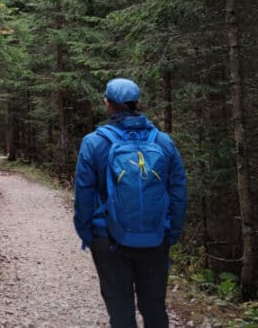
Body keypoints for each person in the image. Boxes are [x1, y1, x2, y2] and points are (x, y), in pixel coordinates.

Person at [73, 78, 187, 328]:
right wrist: (171, 231)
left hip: (108, 238)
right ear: (138, 103)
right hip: (155, 236)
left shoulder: (93, 142)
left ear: (108, 105)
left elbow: (83, 193)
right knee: (155, 306)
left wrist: (87, 234)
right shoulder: (163, 142)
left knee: (120, 306)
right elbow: (178, 190)